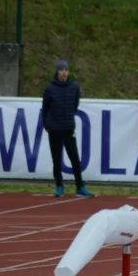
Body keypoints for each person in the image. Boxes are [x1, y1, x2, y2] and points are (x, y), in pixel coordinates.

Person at [40, 60, 94, 198]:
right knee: (56, 160)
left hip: (68, 128)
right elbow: (45, 108)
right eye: (61, 70)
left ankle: (80, 186)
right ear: (57, 72)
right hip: (54, 129)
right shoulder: (50, 88)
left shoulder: (74, 87)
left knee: (75, 158)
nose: (64, 72)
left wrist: (69, 119)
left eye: (66, 70)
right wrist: (47, 124)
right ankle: (59, 186)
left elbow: (75, 106)